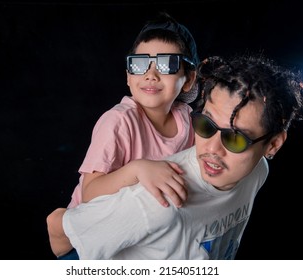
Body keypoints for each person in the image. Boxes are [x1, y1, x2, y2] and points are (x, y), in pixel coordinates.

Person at [47, 53, 303, 259]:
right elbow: (59, 231)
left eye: (235, 138)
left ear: (273, 145)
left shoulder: (258, 171)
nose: (211, 149)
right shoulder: (154, 203)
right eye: (206, 126)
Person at [47, 12, 200, 258]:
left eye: (167, 64)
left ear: (189, 79)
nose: (151, 74)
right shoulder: (118, 121)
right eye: (139, 64)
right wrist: (138, 168)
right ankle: (58, 228)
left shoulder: (187, 119)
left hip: (144, 232)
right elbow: (90, 193)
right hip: (92, 238)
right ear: (129, 76)